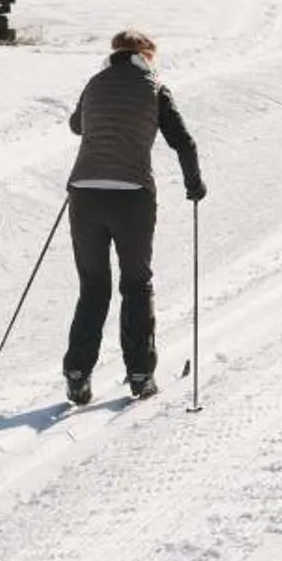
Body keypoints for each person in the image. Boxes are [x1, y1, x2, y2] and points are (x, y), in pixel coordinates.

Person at [62, 29, 205, 405]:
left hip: (85, 194)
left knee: (93, 286)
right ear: (145, 54)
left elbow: (78, 126)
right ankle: (141, 374)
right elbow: (183, 140)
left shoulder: (95, 83)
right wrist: (194, 184)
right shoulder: (154, 88)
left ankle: (77, 374)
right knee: (136, 284)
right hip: (132, 197)